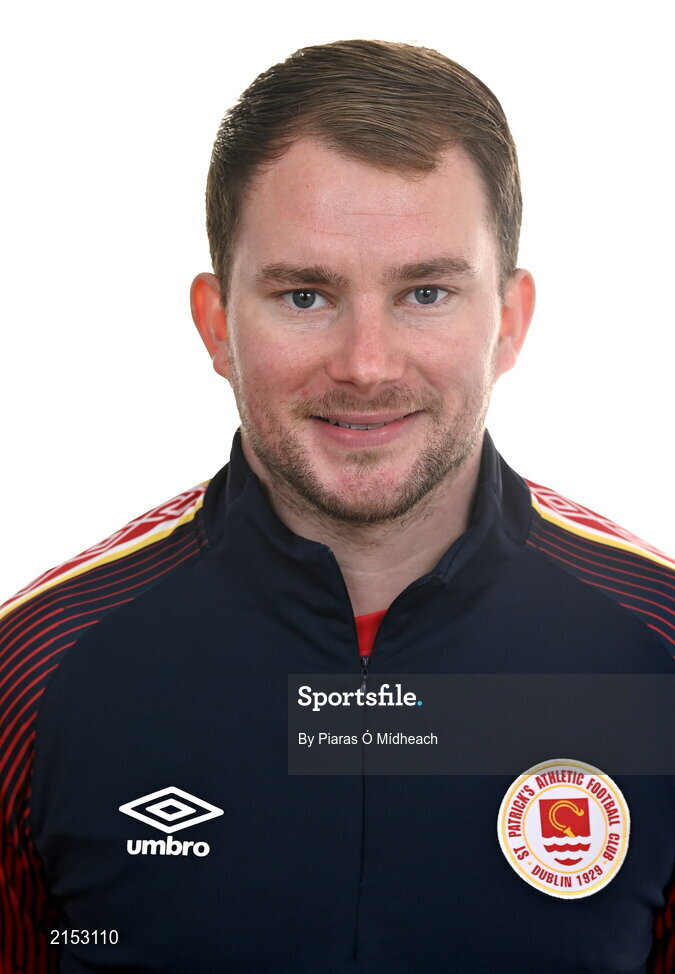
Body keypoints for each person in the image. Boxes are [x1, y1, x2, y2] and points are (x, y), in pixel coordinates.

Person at [1, 38, 673, 974]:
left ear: (510, 321)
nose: (366, 364)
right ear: (217, 324)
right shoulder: (35, 668)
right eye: (306, 295)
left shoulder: (655, 652)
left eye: (426, 292)